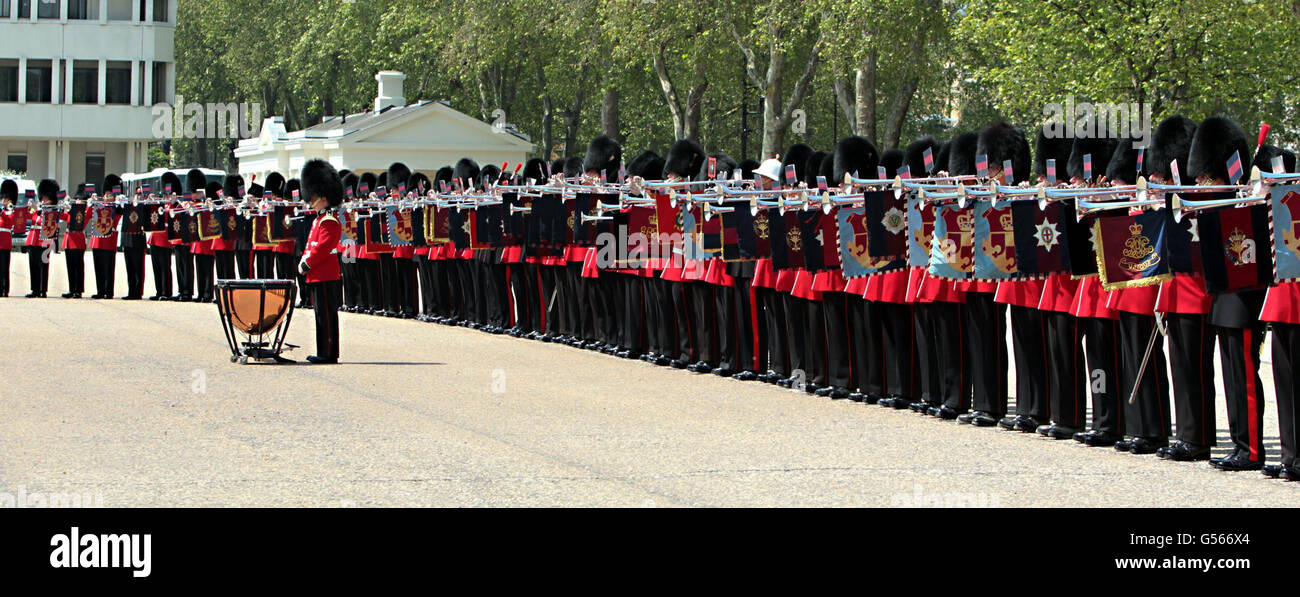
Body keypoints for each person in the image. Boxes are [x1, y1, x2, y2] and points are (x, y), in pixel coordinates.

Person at [298, 159, 345, 364]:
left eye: (314, 197)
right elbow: (311, 245)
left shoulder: (329, 220)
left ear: (324, 198)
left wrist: (307, 264)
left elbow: (323, 248)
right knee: (320, 315)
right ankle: (323, 350)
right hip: (318, 274)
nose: (311, 200)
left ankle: (328, 353)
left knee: (326, 315)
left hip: (324, 273)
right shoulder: (319, 219)